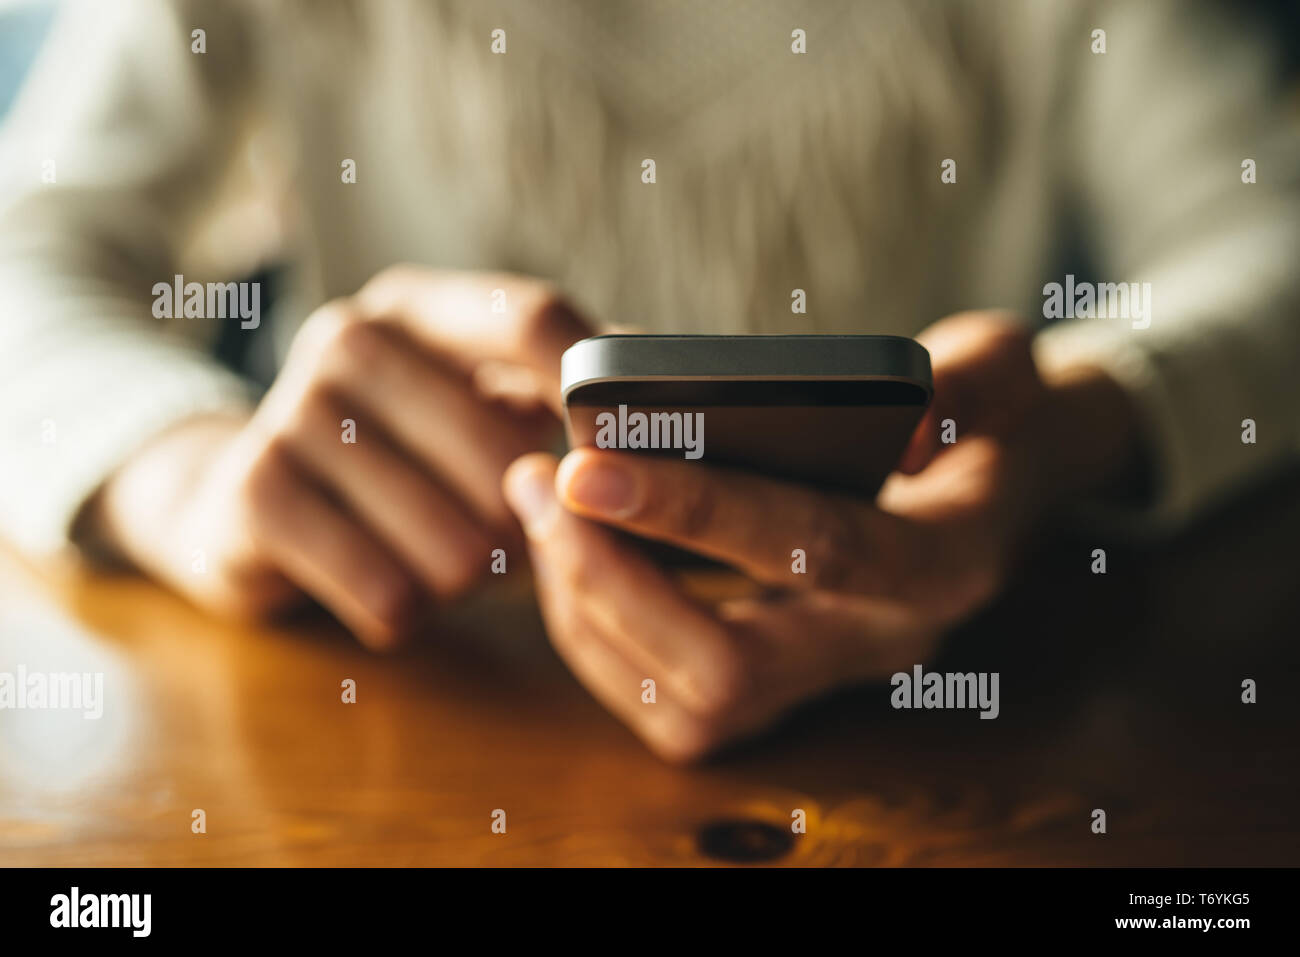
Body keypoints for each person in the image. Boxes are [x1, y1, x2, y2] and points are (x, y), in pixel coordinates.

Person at [0, 0, 1297, 761]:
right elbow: (27, 243)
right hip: (419, 691)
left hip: (948, 724)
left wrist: (1068, 425)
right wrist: (181, 475)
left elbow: (1270, 229)